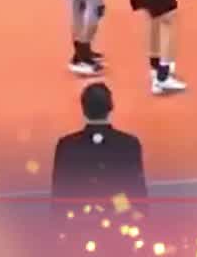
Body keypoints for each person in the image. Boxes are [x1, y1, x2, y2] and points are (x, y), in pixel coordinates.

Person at [50, 82, 147, 213]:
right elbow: (137, 191)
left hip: (79, 219)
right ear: (111, 106)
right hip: (119, 217)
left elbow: (59, 193)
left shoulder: (66, 146)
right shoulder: (129, 144)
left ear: (83, 109)